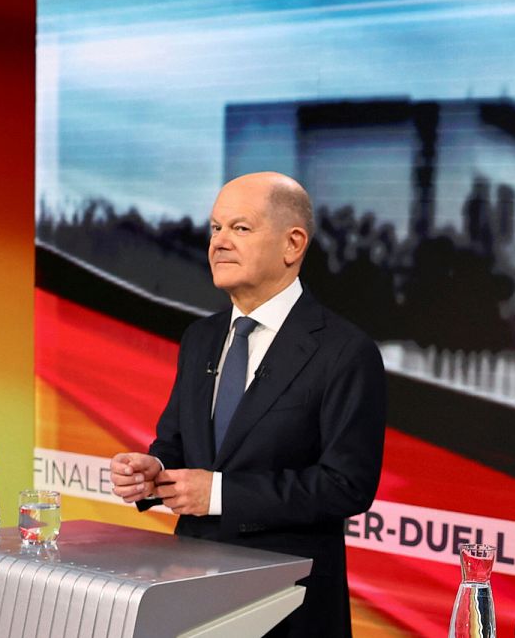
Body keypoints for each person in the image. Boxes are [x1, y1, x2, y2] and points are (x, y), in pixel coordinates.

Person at [110, 172, 387, 638]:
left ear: (292, 244)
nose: (219, 242)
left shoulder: (344, 351)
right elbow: (176, 443)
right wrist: (153, 470)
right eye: (215, 228)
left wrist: (219, 494)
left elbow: (346, 485)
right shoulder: (200, 338)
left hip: (290, 606)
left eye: (240, 228)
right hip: (192, 593)